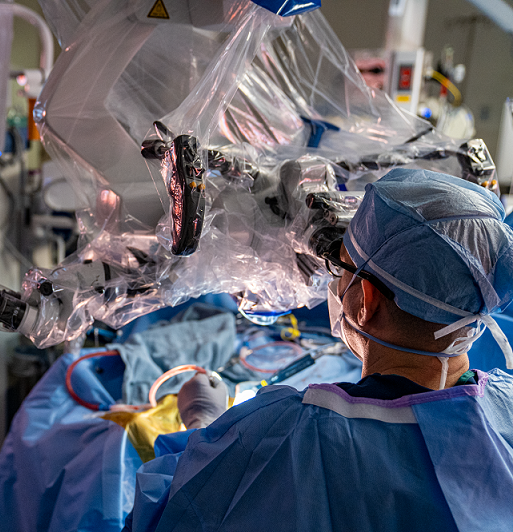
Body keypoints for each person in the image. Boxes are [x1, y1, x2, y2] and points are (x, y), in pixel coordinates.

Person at [124, 168, 513, 532]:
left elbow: (167, 509)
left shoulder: (283, 437)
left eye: (340, 265)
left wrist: (201, 424)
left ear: (366, 300)